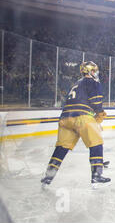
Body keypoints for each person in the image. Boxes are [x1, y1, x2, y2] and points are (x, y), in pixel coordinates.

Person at [41, 61, 110, 189]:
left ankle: (48, 177)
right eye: (94, 71)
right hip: (81, 117)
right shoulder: (93, 82)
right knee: (96, 143)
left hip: (65, 119)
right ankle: (96, 175)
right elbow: (96, 102)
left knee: (61, 148)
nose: (96, 73)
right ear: (90, 71)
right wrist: (100, 113)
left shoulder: (76, 84)